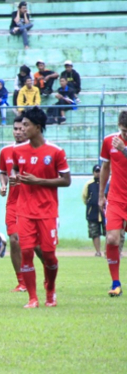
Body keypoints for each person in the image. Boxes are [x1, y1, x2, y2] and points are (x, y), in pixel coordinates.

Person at [10, 106, 71, 308]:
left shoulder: (55, 152)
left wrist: (38, 181)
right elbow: (16, 171)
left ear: (38, 127)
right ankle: (33, 298)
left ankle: (50, 290)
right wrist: (13, 179)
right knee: (26, 252)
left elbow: (66, 181)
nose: (22, 129)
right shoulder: (17, 151)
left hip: (47, 212)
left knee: (49, 255)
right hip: (24, 211)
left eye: (26, 125)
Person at [0, 115, 36, 292]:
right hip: (13, 203)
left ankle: (43, 276)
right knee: (14, 240)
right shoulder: (6, 151)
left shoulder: (36, 151)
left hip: (32, 203)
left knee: (34, 245)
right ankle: (21, 282)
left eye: (22, 128)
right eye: (15, 128)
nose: (18, 132)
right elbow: (2, 172)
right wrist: (3, 184)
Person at [98, 110, 127, 297]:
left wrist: (124, 150)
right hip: (116, 198)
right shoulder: (109, 141)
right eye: (124, 131)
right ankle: (116, 283)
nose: (126, 135)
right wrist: (101, 194)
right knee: (112, 239)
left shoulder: (121, 146)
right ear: (119, 127)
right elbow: (105, 168)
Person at [83, 165, 105, 257]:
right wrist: (90, 206)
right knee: (94, 232)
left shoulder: (106, 182)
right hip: (93, 212)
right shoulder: (89, 184)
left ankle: (108, 252)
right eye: (96, 171)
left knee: (108, 231)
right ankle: (98, 252)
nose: (98, 173)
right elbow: (84, 197)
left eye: (100, 171)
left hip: (105, 212)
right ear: (93, 172)